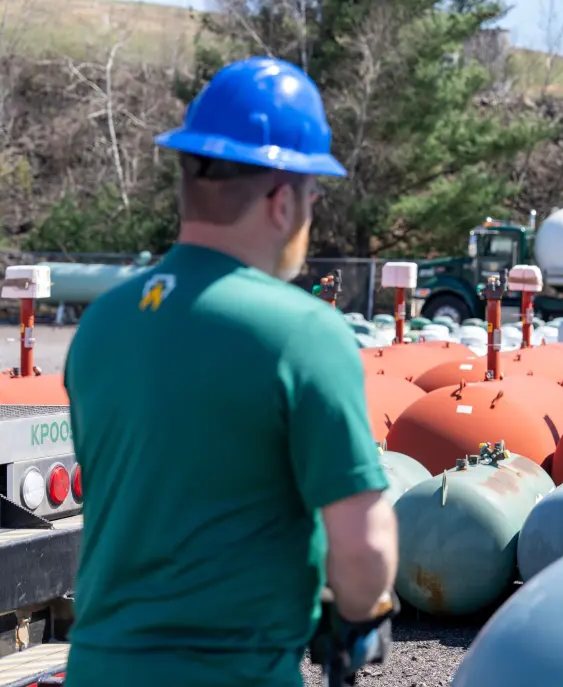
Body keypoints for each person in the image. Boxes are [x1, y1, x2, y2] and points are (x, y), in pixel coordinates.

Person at [63, 57, 398, 686]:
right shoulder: (302, 332)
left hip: (97, 669)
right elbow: (365, 549)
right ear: (281, 200)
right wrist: (359, 614)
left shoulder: (102, 325)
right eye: (312, 195)